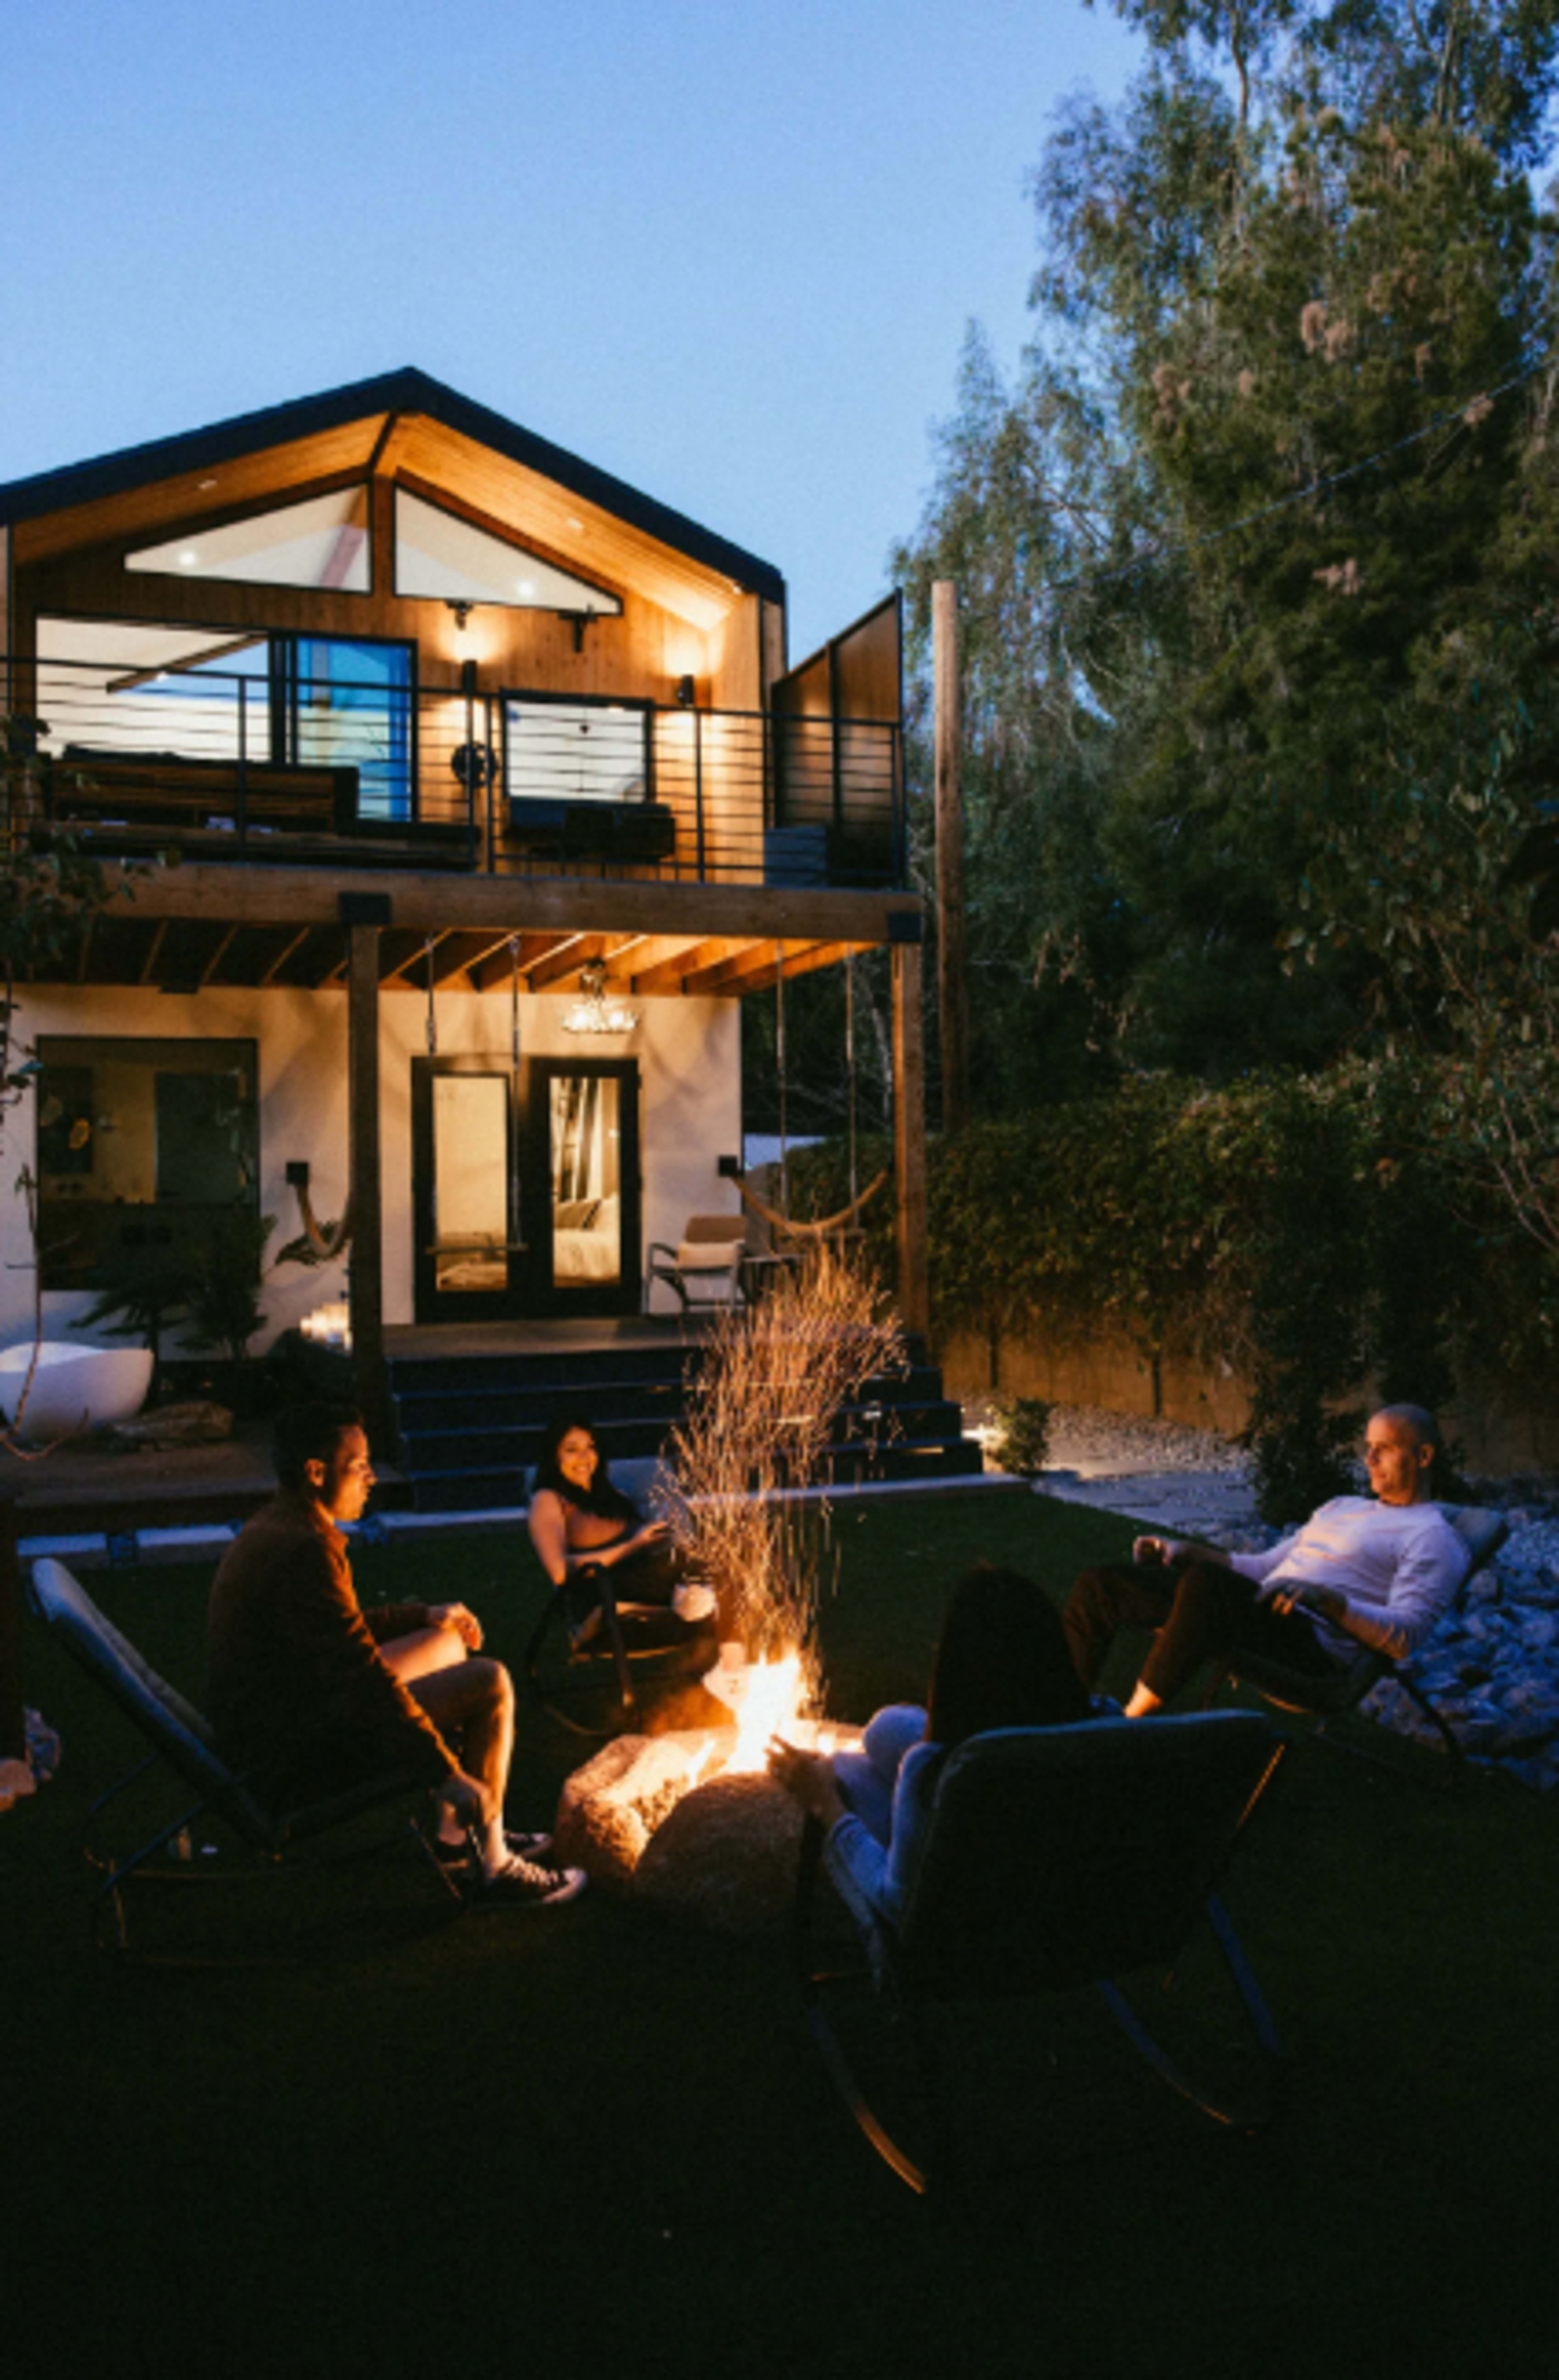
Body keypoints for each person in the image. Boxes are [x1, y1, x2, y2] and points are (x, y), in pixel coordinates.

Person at [206, 1403, 585, 1910]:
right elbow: (363, 1678)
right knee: (488, 1682)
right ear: (316, 1472)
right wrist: (447, 1775)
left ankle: (456, 1841)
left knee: (447, 1646)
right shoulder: (305, 1548)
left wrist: (424, 1615)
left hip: (283, 1719)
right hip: (288, 1759)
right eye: (359, 1465)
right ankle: (494, 1866)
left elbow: (341, 1629)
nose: (371, 1478)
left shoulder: (283, 1524)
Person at [1062, 1403, 1470, 1716]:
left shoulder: (1432, 1536)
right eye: (1369, 1447)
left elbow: (1406, 1636)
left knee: (1208, 1584)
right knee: (1102, 1584)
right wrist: (1184, 1551)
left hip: (1310, 1647)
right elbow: (1259, 1568)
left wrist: (1328, 1600)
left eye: (1385, 1449)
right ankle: (1063, 1713)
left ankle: (1130, 1723)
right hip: (1255, 1611)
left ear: (1424, 1455)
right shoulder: (1343, 1506)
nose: (1369, 1459)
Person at [766, 1561, 1095, 1928]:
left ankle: (836, 1780)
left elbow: (897, 1902)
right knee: (885, 1731)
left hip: (984, 1927)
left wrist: (826, 1802)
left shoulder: (941, 1770)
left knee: (846, 1772)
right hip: (1054, 1875)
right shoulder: (1103, 1730)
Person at [526, 1415, 716, 1638]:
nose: (585, 1457)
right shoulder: (548, 1499)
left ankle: (716, 1629)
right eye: (572, 1450)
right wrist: (632, 1545)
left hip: (644, 1579)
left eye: (590, 1447)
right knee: (700, 1570)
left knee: (719, 1562)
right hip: (602, 1592)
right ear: (553, 1456)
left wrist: (655, 1534)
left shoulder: (609, 1495)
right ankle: (694, 1598)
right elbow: (559, 1573)